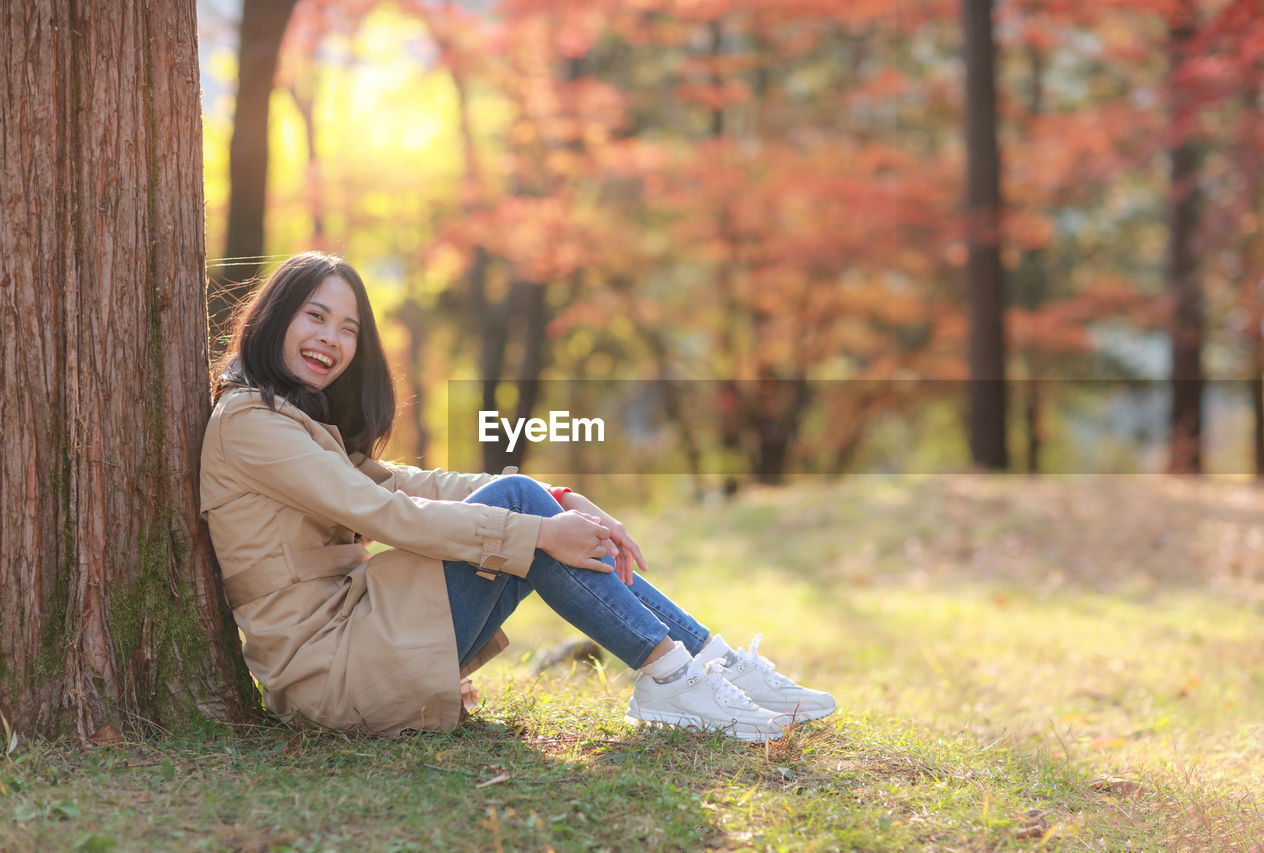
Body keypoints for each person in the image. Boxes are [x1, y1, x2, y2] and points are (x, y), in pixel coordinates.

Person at [201, 251, 834, 742]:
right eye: (315, 316)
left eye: (348, 328)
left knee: (523, 496)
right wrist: (535, 529)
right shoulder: (251, 423)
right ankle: (676, 676)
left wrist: (558, 498)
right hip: (327, 673)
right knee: (522, 508)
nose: (332, 341)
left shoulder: (295, 421)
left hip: (356, 637)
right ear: (273, 315)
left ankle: (706, 664)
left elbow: (403, 483)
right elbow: (384, 513)